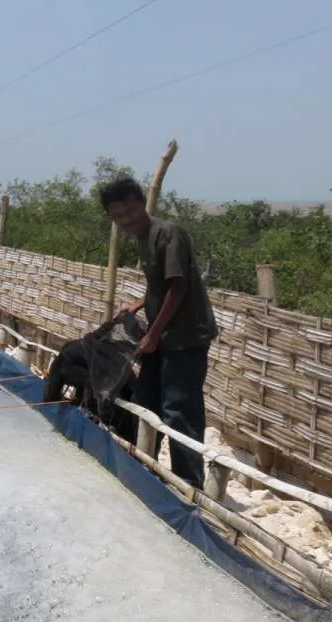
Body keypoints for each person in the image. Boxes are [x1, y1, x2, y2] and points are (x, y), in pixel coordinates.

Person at [99, 176, 218, 489]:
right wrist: (138, 306)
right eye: (118, 215)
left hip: (185, 337)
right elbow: (159, 284)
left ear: (142, 204)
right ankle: (145, 467)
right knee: (146, 398)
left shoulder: (168, 233)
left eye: (130, 210)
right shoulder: (143, 239)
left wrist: (152, 334)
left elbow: (179, 287)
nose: (126, 219)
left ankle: (188, 483)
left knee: (179, 409)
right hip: (161, 336)